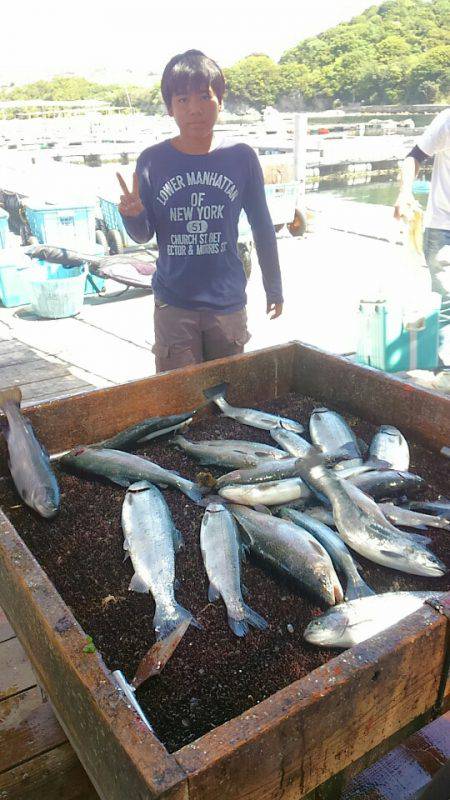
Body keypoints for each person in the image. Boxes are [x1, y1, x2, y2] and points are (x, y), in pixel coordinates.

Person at [117, 49, 283, 373]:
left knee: (228, 395)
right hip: (174, 304)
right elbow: (143, 234)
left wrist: (274, 287)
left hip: (227, 303)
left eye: (204, 97)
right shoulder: (152, 160)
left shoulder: (241, 157)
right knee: (179, 399)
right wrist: (133, 214)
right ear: (170, 108)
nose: (195, 109)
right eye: (182, 100)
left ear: (220, 100)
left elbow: (262, 226)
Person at [394, 107, 450, 296]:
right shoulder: (447, 120)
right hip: (444, 230)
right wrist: (405, 193)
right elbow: (414, 157)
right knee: (446, 310)